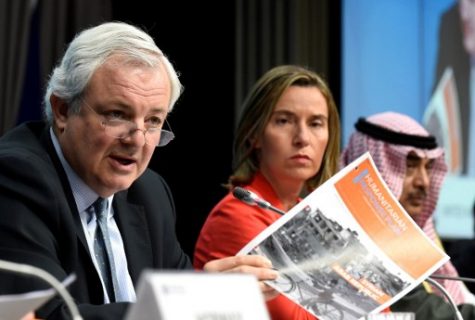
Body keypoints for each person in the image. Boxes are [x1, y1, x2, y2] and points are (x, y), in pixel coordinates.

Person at [0, 21, 279, 320]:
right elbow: (49, 316)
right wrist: (191, 302)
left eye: (154, 121)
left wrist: (211, 299)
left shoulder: (150, 192)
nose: (137, 140)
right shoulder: (16, 177)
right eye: (117, 114)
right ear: (63, 110)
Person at [194, 65, 341, 320]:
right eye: (284, 121)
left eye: (316, 123)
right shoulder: (236, 215)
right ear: (255, 135)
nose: (302, 138)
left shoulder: (305, 211)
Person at [340, 111, 475, 318]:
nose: (424, 182)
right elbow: (425, 312)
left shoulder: (420, 231)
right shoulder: (351, 234)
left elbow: (458, 297)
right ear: (374, 163)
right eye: (410, 166)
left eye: (428, 167)